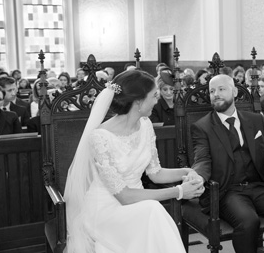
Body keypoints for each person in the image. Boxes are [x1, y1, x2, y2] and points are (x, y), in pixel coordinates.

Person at [64, 70, 204, 253]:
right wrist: (179, 191)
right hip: (107, 210)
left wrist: (186, 172)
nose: (157, 100)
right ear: (138, 101)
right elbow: (124, 196)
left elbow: (155, 173)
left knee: (151, 212)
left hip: (139, 203)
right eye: (154, 96)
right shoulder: (100, 137)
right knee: (153, 211)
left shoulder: (145, 124)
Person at [188, 74, 264, 253]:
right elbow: (202, 159)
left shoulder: (255, 120)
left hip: (258, 186)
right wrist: (197, 176)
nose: (216, 94)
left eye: (221, 89)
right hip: (226, 191)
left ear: (235, 91)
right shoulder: (202, 127)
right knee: (248, 221)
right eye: (212, 91)